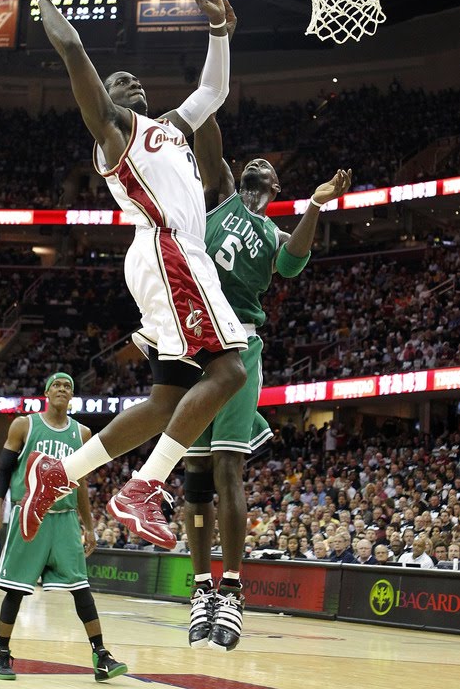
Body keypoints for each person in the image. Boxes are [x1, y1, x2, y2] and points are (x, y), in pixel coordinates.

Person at [19, 0, 249, 551]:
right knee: (229, 371)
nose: (129, 82)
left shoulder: (170, 125)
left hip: (174, 257)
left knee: (167, 399)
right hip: (168, 250)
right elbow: (74, 54)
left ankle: (58, 475)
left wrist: (218, 28)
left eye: (132, 80)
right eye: (118, 81)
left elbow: (214, 90)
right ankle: (143, 487)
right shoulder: (114, 134)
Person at [182, 58, 352, 650]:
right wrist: (212, 50)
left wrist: (315, 204)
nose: (259, 165)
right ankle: (202, 585)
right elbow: (205, 129)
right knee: (194, 472)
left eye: (268, 170)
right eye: (252, 162)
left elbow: (292, 263)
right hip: (195, 340)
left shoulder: (278, 234)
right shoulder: (222, 191)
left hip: (239, 344)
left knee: (228, 465)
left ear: (275, 188)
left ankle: (232, 593)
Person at [0, 372, 127, 681]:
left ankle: (101, 655)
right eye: (57, 385)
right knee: (16, 589)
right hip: (29, 514)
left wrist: (88, 526)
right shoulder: (25, 425)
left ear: (71, 396)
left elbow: (83, 482)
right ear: (47, 392)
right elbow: (3, 471)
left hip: (64, 518)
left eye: (68, 386)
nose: (63, 389)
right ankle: (1, 653)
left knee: (81, 587)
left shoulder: (82, 433)